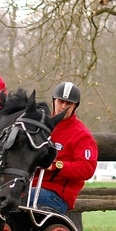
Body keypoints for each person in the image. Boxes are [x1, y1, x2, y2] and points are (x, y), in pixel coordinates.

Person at [29, 81, 98, 215]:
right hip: (31, 186)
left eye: (68, 104)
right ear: (54, 101)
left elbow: (87, 168)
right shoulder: (41, 126)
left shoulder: (82, 135)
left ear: (75, 107)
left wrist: (55, 166)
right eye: (61, 102)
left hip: (57, 196)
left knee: (22, 197)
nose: (63, 107)